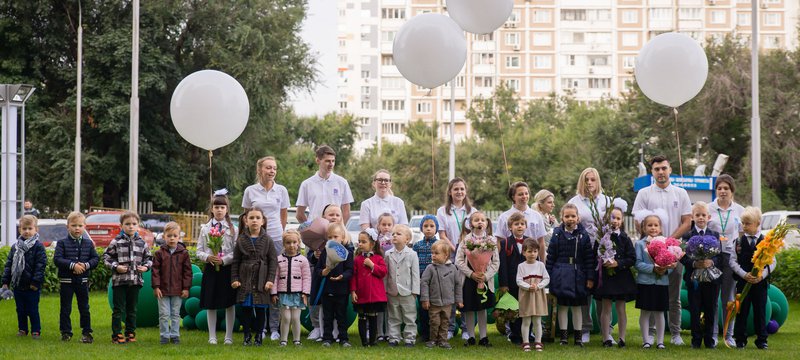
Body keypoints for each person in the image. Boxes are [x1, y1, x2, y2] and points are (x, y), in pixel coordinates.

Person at [632, 155, 692, 346]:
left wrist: (668, 242)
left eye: (663, 168)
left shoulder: (680, 193)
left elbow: (687, 221)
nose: (660, 172)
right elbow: (637, 221)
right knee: (651, 294)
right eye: (657, 169)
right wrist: (653, 244)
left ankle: (675, 333)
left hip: (674, 251)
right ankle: (649, 334)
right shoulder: (644, 193)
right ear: (652, 172)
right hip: (650, 254)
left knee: (674, 296)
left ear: (670, 169)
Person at [242, 156, 291, 341]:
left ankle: (274, 327)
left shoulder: (282, 190)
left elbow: (283, 216)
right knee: (257, 281)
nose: (272, 171)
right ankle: (259, 327)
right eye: (268, 168)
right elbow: (246, 216)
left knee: (274, 282)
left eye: (274, 168)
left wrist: (280, 234)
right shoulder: (250, 191)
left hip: (276, 239)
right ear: (259, 170)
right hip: (255, 240)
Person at [567, 168, 615, 343]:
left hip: (603, 249)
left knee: (603, 290)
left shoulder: (606, 200)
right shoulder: (575, 201)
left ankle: (606, 331)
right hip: (583, 250)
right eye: (586, 179)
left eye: (593, 179)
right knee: (585, 290)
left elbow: (613, 224)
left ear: (598, 181)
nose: (589, 183)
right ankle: (585, 328)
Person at [546, 203, 594, 347]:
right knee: (562, 306)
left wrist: (590, 277)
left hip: (578, 275)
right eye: (567, 216)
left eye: (573, 216)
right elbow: (550, 258)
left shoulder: (583, 235)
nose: (570, 219)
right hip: (560, 274)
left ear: (578, 218)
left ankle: (578, 337)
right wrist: (549, 276)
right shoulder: (556, 234)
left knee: (577, 306)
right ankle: (564, 337)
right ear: (562, 218)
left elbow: (589, 259)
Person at [103, 211, 153, 344]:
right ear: (121, 226)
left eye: (134, 224)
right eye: (127, 224)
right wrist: (116, 266)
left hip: (135, 281)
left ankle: (130, 332)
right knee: (118, 309)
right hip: (119, 281)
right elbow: (106, 258)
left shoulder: (142, 243)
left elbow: (149, 259)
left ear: (138, 225)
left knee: (132, 309)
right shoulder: (116, 242)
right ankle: (116, 334)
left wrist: (146, 267)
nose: (131, 226)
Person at [707, 174, 744, 347]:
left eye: (726, 188)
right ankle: (713, 335)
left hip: (731, 258)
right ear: (716, 190)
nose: (722, 191)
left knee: (728, 298)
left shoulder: (739, 210)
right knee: (713, 297)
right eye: (719, 188)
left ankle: (729, 335)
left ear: (732, 191)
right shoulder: (708, 209)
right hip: (713, 258)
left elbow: (743, 234)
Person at [231, 208, 278, 347]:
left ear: (262, 221)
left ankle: (259, 336)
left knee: (260, 308)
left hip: (261, 279)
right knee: (246, 309)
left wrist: (270, 279)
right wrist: (234, 279)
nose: (255, 220)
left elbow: (273, 261)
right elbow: (236, 261)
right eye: (251, 218)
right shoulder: (241, 239)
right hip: (245, 278)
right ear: (246, 221)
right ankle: (246, 336)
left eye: (258, 217)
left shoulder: (268, 240)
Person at [196, 193, 239, 345]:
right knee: (211, 302)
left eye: (222, 207)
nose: (219, 210)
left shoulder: (233, 229)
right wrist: (208, 257)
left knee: (229, 302)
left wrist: (224, 260)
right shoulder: (205, 228)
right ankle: (212, 336)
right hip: (211, 268)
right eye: (216, 207)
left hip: (227, 269)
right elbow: (199, 250)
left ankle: (228, 336)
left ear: (227, 209)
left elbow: (236, 251)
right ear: (212, 209)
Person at [435, 177, 475, 339]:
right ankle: (450, 327)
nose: (459, 192)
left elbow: (475, 233)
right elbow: (442, 234)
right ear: (450, 192)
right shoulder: (442, 211)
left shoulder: (472, 211)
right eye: (456, 189)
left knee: (464, 293)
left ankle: (466, 328)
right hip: (450, 257)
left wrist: (465, 250)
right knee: (450, 294)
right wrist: (456, 249)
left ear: (465, 192)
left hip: (468, 259)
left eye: (462, 189)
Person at [730, 206, 774, 350]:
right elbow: (732, 261)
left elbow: (773, 262)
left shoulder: (766, 242)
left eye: (748, 224)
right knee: (741, 310)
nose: (744, 226)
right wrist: (744, 274)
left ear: (757, 224)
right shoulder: (737, 242)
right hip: (743, 282)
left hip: (759, 284)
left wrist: (762, 275)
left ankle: (762, 340)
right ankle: (740, 339)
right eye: (743, 223)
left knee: (760, 311)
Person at [680, 202, 722, 349]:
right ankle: (696, 340)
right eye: (697, 215)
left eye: (703, 215)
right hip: (694, 280)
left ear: (708, 217)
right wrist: (694, 264)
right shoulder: (687, 236)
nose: (701, 218)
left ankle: (710, 340)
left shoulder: (715, 235)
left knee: (711, 309)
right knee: (695, 309)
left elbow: (720, 257)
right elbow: (682, 257)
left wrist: (711, 262)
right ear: (692, 217)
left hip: (711, 280)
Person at [593, 207, 637, 348]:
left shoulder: (625, 238)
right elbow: (595, 253)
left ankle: (622, 338)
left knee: (621, 307)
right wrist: (602, 261)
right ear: (606, 220)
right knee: (606, 307)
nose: (615, 221)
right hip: (606, 277)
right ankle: (606, 337)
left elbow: (632, 258)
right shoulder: (601, 236)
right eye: (612, 218)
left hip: (621, 277)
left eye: (618, 218)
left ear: (622, 220)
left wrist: (618, 263)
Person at [53, 211, 99, 343]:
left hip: (82, 281)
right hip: (66, 281)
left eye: (80, 225)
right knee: (66, 308)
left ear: (84, 226)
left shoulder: (88, 243)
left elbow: (95, 259)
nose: (77, 228)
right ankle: (66, 332)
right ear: (68, 226)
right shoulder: (61, 243)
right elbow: (57, 259)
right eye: (74, 225)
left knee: (84, 307)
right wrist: (73, 265)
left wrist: (86, 265)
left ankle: (87, 333)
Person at [455, 211, 499, 347]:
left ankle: (484, 337)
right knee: (469, 308)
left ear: (486, 224)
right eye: (476, 220)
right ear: (470, 224)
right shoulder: (465, 240)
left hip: (484, 279)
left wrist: (485, 276)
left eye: (482, 220)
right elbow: (459, 260)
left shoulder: (491, 241)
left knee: (481, 308)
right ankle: (471, 336)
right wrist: (471, 274)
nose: (480, 222)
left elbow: (495, 262)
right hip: (469, 280)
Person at [307, 203, 348, 341]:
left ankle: (337, 331)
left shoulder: (344, 235)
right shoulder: (318, 234)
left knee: (337, 308)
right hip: (321, 276)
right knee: (320, 304)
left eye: (337, 214)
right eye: (331, 214)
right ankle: (318, 328)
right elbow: (310, 255)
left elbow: (349, 254)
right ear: (324, 216)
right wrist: (314, 256)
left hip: (339, 278)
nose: (334, 217)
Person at [1, 215, 46, 339]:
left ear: (36, 229)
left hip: (32, 286)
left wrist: (36, 282)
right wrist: (5, 282)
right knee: (20, 310)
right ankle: (22, 329)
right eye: (24, 228)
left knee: (32, 309)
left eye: (30, 228)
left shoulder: (38, 247)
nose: (27, 231)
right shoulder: (15, 247)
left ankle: (36, 330)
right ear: (20, 229)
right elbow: (9, 265)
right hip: (18, 284)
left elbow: (40, 266)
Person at [634, 211, 674, 349]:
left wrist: (665, 269)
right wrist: (653, 268)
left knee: (659, 312)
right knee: (645, 312)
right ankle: (646, 340)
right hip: (645, 282)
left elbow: (672, 263)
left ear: (660, 228)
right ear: (644, 228)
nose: (653, 228)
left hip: (661, 282)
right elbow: (638, 264)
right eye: (649, 225)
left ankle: (660, 341)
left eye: (656, 225)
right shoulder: (639, 244)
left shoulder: (666, 243)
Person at [151, 222, 192, 345]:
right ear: (164, 237)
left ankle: (175, 335)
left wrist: (186, 288)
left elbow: (187, 272)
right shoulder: (159, 253)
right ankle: (164, 335)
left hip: (178, 290)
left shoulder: (184, 253)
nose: (172, 238)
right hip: (162, 290)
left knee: (175, 314)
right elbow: (155, 272)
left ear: (179, 237)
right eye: (169, 236)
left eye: (175, 235)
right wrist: (156, 287)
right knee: (164, 314)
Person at [315, 222, 354, 347]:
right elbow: (317, 269)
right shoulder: (325, 252)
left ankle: (343, 338)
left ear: (342, 237)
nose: (333, 239)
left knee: (341, 315)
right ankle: (327, 338)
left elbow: (350, 270)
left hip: (341, 290)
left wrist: (342, 276)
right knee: (328, 316)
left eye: (335, 236)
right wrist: (323, 271)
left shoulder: (347, 252)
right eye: (330, 237)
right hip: (327, 289)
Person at [270, 230, 311, 347]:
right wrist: (274, 293)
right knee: (286, 318)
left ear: (298, 243)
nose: (291, 245)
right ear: (283, 244)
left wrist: (305, 293)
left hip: (297, 294)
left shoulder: (303, 260)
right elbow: (275, 278)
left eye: (294, 242)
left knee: (295, 318)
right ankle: (283, 340)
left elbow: (307, 277)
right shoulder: (279, 259)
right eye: (288, 242)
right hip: (283, 294)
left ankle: (296, 340)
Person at [420, 240, 464, 349]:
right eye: (432, 253)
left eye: (436, 253)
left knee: (445, 322)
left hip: (448, 303)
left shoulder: (453, 268)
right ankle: (433, 340)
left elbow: (458, 284)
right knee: (434, 322)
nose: (433, 255)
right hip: (434, 302)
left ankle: (443, 341)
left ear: (446, 255)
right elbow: (424, 283)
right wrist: (425, 299)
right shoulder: (430, 268)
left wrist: (459, 300)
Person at [296, 145, 354, 223]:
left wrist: (339, 229)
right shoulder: (306, 184)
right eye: (327, 161)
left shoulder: (342, 182)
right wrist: (309, 228)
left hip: (335, 232)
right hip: (315, 232)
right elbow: (299, 214)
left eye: (333, 161)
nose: (331, 164)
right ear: (318, 160)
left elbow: (346, 212)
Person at [349, 228, 387, 347]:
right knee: (362, 317)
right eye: (359, 241)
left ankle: (373, 341)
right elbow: (353, 276)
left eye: (363, 242)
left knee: (373, 318)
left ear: (372, 243)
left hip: (375, 295)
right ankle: (364, 342)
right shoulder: (357, 260)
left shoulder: (378, 258)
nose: (360, 244)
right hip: (362, 294)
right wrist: (353, 291)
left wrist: (372, 266)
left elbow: (383, 272)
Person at [385, 224, 420, 347]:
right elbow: (386, 274)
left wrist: (415, 291)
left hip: (408, 292)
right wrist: (385, 290)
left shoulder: (412, 254)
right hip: (392, 291)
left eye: (398, 234)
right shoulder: (388, 254)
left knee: (410, 316)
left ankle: (410, 338)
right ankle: (394, 338)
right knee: (393, 316)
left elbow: (415, 274)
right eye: (393, 233)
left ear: (407, 239)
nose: (394, 235)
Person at [497, 212, 529, 345]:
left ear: (526, 226)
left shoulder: (529, 241)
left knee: (526, 309)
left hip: (527, 281)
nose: (520, 226)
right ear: (510, 227)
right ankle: (515, 334)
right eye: (516, 224)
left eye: (522, 224)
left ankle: (528, 334)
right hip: (511, 282)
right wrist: (503, 284)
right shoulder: (505, 243)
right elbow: (502, 265)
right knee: (514, 309)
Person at [495, 182, 547, 261]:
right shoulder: (504, 217)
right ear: (513, 197)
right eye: (520, 194)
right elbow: (499, 242)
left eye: (526, 193)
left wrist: (542, 264)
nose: (524, 196)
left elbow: (541, 242)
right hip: (510, 260)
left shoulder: (537, 216)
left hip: (532, 260)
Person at [517, 238, 550, 352]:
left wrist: (538, 286)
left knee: (537, 320)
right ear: (524, 252)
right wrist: (528, 287)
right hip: (526, 296)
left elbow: (546, 278)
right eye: (529, 251)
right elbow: (518, 281)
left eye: (535, 251)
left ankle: (538, 342)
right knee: (526, 320)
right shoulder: (521, 266)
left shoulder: (541, 265)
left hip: (538, 296)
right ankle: (525, 342)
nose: (532, 254)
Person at [412, 214, 439, 342]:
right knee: (423, 308)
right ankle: (424, 333)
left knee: (435, 308)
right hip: (421, 281)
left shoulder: (440, 244)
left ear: (436, 228)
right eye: (425, 226)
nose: (428, 229)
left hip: (435, 282)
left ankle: (436, 332)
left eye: (432, 226)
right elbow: (413, 262)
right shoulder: (417, 245)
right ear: (421, 228)